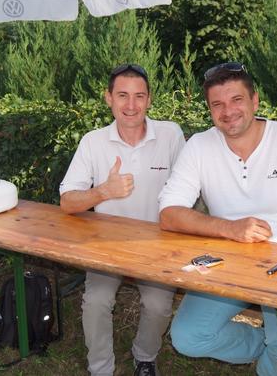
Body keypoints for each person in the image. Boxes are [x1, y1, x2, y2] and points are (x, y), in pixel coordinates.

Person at [158, 62, 277, 376]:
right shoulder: (200, 146)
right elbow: (169, 213)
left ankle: (273, 360)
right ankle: (266, 346)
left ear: (255, 101)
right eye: (217, 104)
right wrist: (229, 228)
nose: (228, 111)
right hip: (225, 263)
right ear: (210, 110)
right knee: (188, 337)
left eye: (237, 100)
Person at [59, 63, 185, 376]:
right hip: (107, 246)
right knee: (96, 301)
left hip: (157, 245)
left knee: (158, 305)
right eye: (122, 95)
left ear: (149, 99)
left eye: (139, 96)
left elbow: (188, 189)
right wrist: (103, 191)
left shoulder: (171, 135)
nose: (131, 105)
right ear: (108, 98)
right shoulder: (93, 141)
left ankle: (145, 357)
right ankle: (101, 369)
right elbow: (67, 201)